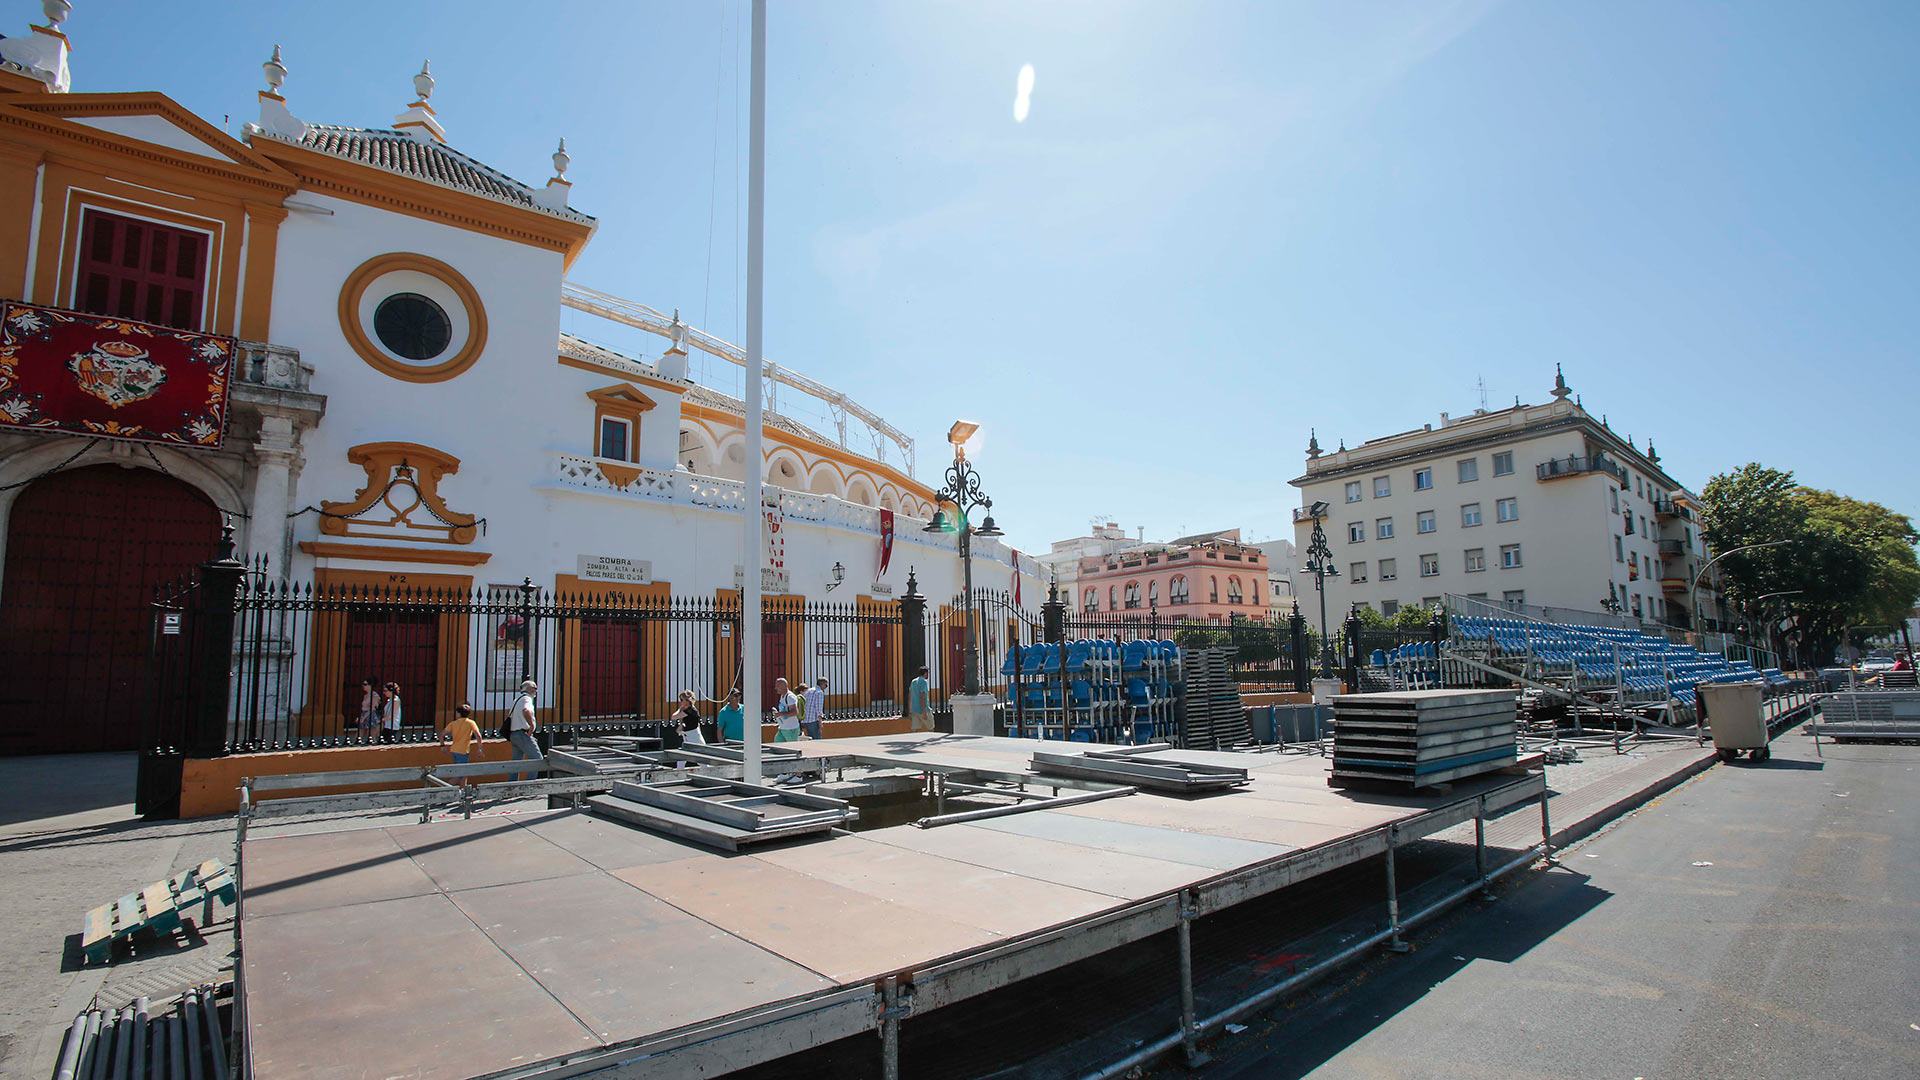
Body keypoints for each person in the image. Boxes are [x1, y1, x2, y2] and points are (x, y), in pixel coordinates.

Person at [506, 679, 541, 779]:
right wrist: (532, 726)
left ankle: (512, 785)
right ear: (529, 689)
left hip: (514, 734)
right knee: (537, 758)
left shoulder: (516, 700)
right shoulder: (527, 699)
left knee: (516, 762)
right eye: (535, 688)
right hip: (522, 734)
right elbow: (526, 710)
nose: (536, 691)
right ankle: (529, 785)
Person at [770, 677, 800, 743]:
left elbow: (795, 712)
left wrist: (780, 714)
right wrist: (777, 713)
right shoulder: (782, 696)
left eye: (777, 686)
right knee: (777, 746)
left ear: (784, 686)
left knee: (793, 748)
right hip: (783, 728)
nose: (775, 688)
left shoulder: (790, 697)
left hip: (791, 729)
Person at [907, 666, 933, 733]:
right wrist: (924, 711)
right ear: (925, 673)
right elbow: (922, 696)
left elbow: (910, 695)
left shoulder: (913, 681)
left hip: (914, 710)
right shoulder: (924, 682)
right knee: (931, 727)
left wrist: (910, 709)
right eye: (928, 673)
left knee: (915, 729)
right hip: (923, 710)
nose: (928, 675)